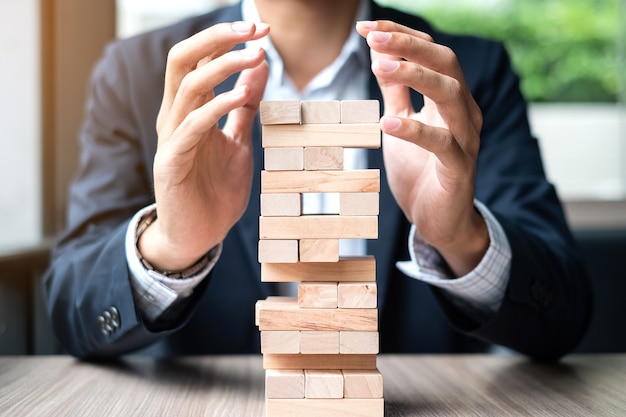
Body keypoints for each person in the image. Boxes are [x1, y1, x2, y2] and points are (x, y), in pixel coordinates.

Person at [43, 0, 591, 360]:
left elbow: (561, 314)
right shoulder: (139, 72)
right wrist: (171, 245)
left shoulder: (464, 72)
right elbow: (72, 309)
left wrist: (460, 235)